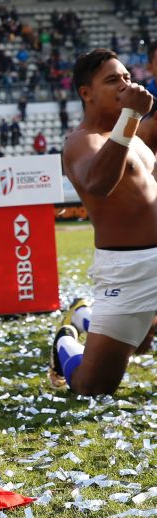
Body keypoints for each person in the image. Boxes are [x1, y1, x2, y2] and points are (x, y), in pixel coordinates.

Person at [51, 49, 157, 395]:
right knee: (92, 386)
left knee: (140, 344)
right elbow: (99, 185)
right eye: (113, 80)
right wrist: (130, 118)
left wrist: (130, 122)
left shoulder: (135, 136)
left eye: (127, 78)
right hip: (128, 270)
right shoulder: (81, 142)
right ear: (87, 93)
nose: (125, 86)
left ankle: (87, 318)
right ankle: (69, 336)